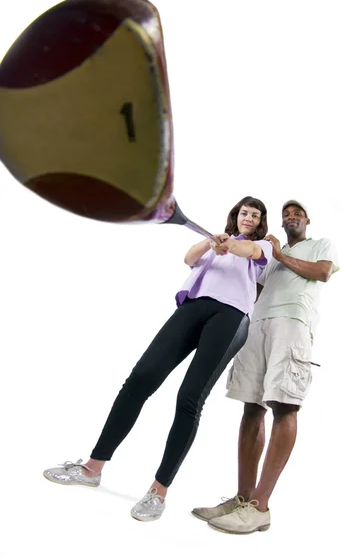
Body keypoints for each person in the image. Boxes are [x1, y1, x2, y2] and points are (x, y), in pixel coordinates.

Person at [43, 196, 273, 522]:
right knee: (140, 378)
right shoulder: (215, 242)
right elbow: (189, 257)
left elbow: (250, 251)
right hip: (195, 307)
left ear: (260, 222)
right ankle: (93, 467)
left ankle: (158, 491)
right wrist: (213, 243)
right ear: (235, 217)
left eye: (255, 215)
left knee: (189, 397)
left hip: (231, 316)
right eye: (244, 213)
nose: (248, 218)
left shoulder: (263, 246)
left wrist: (232, 247)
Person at [192, 199, 339, 534]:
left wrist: (280, 253)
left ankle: (260, 506)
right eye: (286, 214)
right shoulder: (271, 254)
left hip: (293, 322)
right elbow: (252, 289)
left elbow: (323, 273)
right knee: (251, 407)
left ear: (306, 220)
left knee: (284, 406)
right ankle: (243, 498)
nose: (291, 217)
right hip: (258, 324)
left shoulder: (320, 245)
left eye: (297, 213)